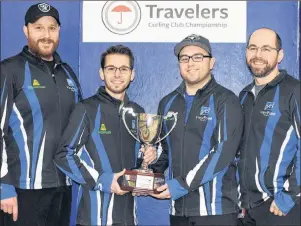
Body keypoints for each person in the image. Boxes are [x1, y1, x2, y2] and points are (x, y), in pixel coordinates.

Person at [54, 45, 158, 226]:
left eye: (123, 69)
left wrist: (148, 156)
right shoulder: (86, 109)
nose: (117, 75)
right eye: (111, 68)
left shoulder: (138, 112)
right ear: (102, 73)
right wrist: (104, 181)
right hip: (93, 218)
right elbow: (63, 155)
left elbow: (137, 158)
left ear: (132, 74)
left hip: (128, 218)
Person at [0, 3, 82, 225]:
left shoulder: (68, 74)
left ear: (58, 32)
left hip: (63, 186)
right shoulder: (9, 70)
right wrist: (3, 186)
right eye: (39, 28)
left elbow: (82, 130)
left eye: (52, 28)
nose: (46, 35)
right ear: (26, 31)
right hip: (21, 191)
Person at [151, 34, 244, 226]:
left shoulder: (226, 100)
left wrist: (180, 185)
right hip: (178, 211)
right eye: (184, 58)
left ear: (212, 63)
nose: (190, 63)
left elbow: (222, 154)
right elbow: (165, 151)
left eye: (198, 57)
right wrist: (148, 173)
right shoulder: (167, 103)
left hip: (216, 212)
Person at [238, 28, 300, 226]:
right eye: (253, 48)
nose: (258, 55)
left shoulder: (294, 91)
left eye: (266, 49)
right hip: (248, 208)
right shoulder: (243, 96)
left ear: (279, 55)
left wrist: (288, 196)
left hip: (280, 207)